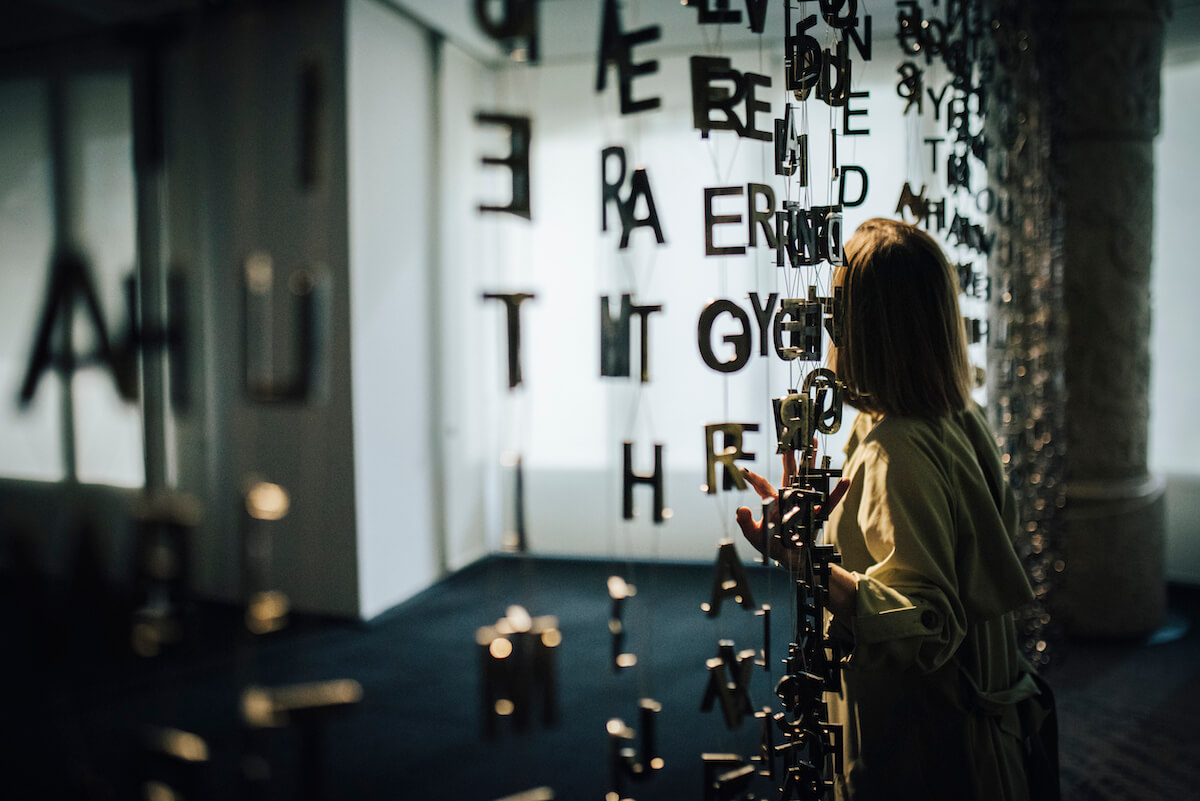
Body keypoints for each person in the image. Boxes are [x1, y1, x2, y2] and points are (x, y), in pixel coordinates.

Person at [735, 218, 1054, 801]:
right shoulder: (955, 417)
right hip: (979, 733)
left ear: (855, 325)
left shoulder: (895, 448)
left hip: (933, 750)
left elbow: (926, 622)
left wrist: (802, 560)